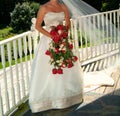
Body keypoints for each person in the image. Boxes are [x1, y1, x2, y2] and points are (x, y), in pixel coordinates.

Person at [29, 0, 83, 113]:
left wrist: (63, 35)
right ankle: (48, 100)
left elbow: (67, 24)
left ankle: (66, 97)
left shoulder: (63, 6)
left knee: (65, 65)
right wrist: (53, 36)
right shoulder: (43, 8)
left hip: (62, 39)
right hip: (48, 41)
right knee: (47, 69)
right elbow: (38, 26)